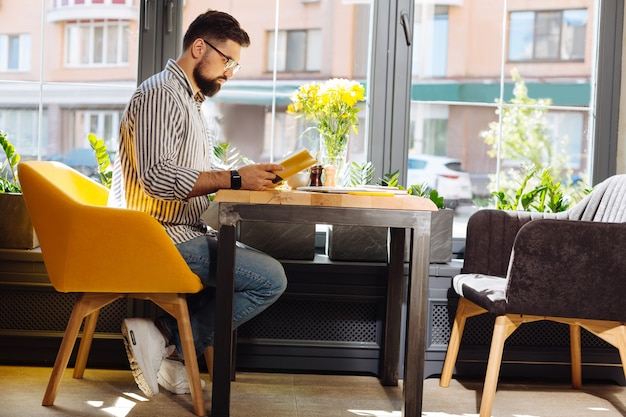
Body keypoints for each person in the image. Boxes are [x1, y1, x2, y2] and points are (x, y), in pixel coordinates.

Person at [108, 9, 288, 397]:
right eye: (227, 61)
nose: (230, 73)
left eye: (235, 66)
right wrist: (236, 178)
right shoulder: (160, 94)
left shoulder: (188, 99)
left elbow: (194, 169)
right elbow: (158, 178)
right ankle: (162, 334)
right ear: (199, 46)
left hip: (178, 231)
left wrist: (246, 175)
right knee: (271, 279)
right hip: (157, 236)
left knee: (244, 269)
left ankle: (169, 357)